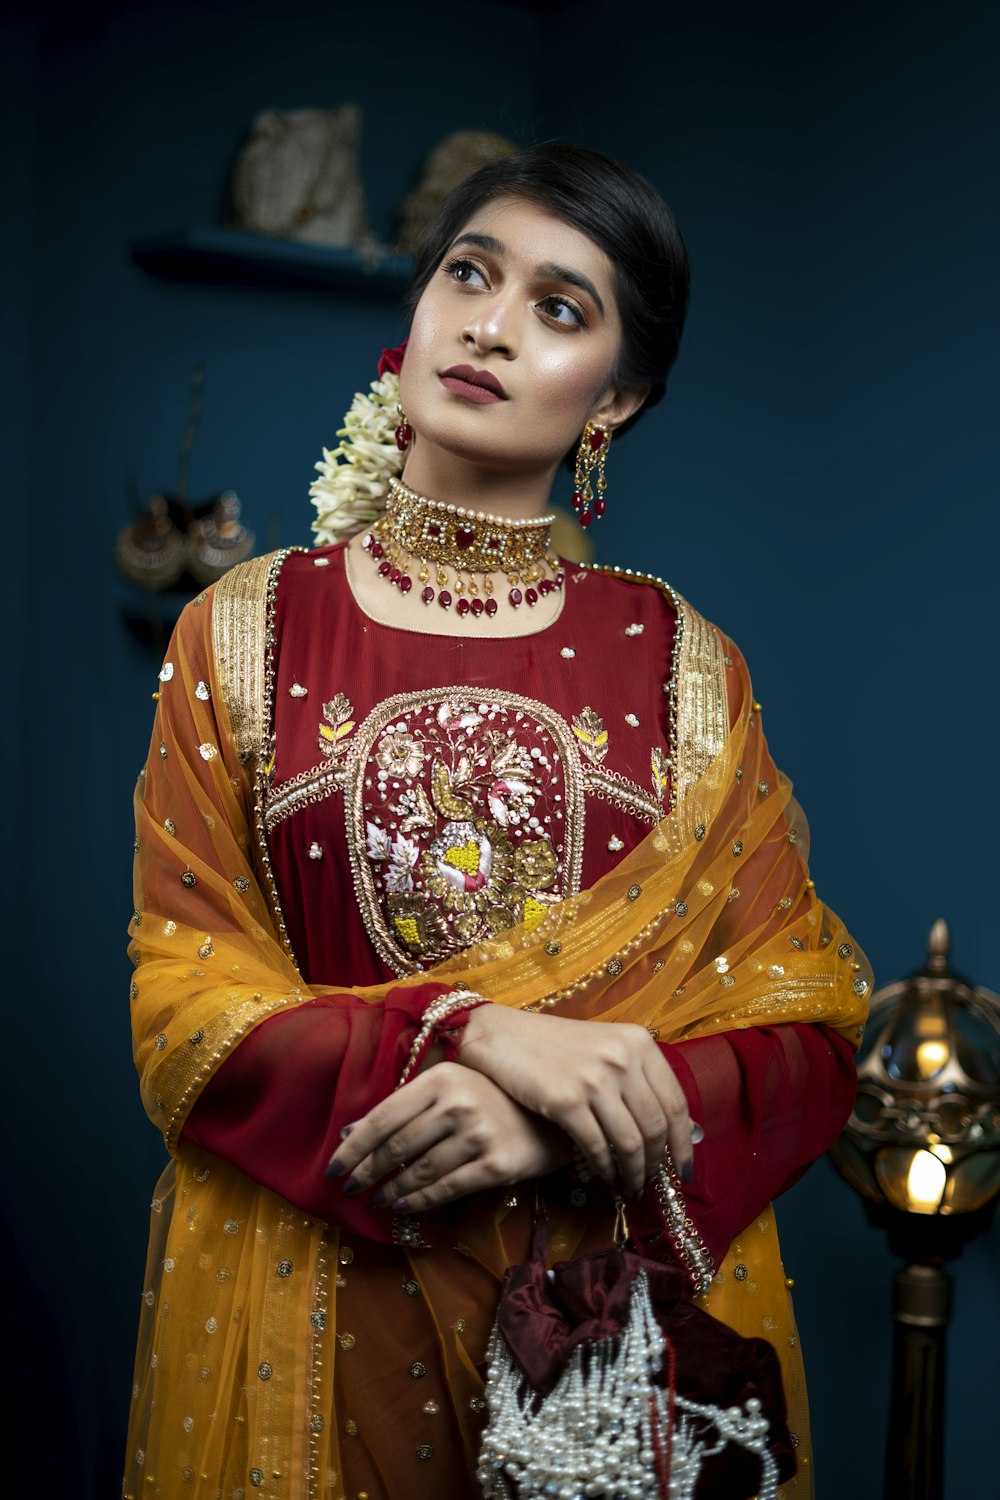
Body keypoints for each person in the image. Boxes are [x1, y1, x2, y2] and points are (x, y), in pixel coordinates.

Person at [124, 144, 870, 1500]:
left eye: (560, 307)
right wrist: (472, 1034)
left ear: (619, 401)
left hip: (600, 1333)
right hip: (321, 1321)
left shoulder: (683, 662)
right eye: (470, 273)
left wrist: (543, 1129)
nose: (490, 322)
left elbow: (804, 1034)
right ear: (413, 313)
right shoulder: (241, 628)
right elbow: (183, 996)